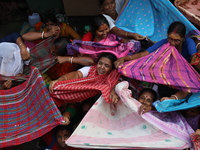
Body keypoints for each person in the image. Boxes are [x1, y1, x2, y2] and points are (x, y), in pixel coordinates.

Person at [114, 21, 198, 68]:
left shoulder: (188, 42)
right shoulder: (165, 42)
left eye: (177, 40)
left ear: (183, 38)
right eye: (170, 39)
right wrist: (124, 58)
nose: (172, 43)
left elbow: (195, 58)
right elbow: (144, 54)